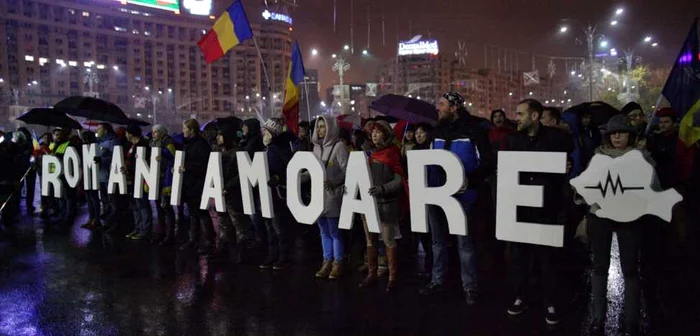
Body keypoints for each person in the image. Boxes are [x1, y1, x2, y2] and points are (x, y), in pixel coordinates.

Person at [503, 99, 574, 325]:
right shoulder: (512, 140)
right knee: (519, 257)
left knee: (547, 258)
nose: (516, 118)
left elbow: (567, 161)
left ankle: (550, 302)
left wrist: (566, 166)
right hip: (521, 207)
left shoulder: (557, 138)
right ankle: (520, 297)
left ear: (534, 116)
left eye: (520, 113)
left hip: (548, 206)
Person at [419, 92, 495, 306]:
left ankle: (469, 286)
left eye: (441, 104)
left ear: (454, 108)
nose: (438, 108)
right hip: (436, 194)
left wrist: (467, 180)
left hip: (464, 197)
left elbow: (487, 163)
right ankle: (437, 280)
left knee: (465, 244)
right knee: (438, 242)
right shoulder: (437, 131)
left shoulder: (474, 131)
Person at [586, 115, 653, 335]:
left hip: (631, 219)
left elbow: (654, 189)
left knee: (631, 270)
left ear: (631, 136)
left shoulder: (642, 158)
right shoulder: (598, 157)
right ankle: (597, 318)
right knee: (599, 268)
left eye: (621, 132)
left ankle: (632, 321)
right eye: (613, 133)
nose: (616, 137)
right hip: (600, 218)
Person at [359, 120, 406, 292]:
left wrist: (383, 189)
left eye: (378, 132)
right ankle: (372, 272)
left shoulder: (392, 153)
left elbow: (399, 180)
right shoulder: (368, 155)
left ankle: (392, 277)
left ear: (385, 135)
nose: (374, 134)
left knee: (388, 241)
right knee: (370, 240)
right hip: (369, 205)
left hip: (387, 205)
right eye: (373, 132)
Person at [310, 116, 350, 279]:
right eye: (318, 127)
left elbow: (348, 170)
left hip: (332, 196)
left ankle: (337, 263)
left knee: (334, 231)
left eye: (323, 126)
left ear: (331, 128)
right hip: (318, 197)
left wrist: (334, 182)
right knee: (323, 231)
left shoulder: (339, 146)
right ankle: (326, 261)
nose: (319, 130)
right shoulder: (315, 148)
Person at [260, 118, 294, 270]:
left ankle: (283, 256)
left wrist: (278, 177)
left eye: (266, 131)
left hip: (277, 194)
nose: (263, 133)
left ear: (273, 133)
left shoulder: (280, 149)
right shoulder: (266, 149)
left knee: (279, 227)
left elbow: (290, 169)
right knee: (269, 226)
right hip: (266, 193)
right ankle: (272, 254)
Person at [215, 123, 253, 261]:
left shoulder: (238, 153)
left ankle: (243, 253)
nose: (218, 137)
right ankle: (225, 250)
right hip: (222, 194)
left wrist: (228, 186)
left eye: (220, 135)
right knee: (223, 222)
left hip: (234, 194)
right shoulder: (219, 152)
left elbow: (242, 174)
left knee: (239, 224)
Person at [179, 119, 215, 255]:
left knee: (202, 213)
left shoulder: (201, 144)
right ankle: (193, 240)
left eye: (185, 128)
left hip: (198, 184)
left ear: (192, 129)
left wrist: (186, 168)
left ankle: (209, 241)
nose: (183, 130)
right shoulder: (188, 144)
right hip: (189, 184)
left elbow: (203, 164)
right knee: (193, 213)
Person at [122, 125, 152, 240]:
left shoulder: (144, 145)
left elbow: (145, 162)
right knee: (134, 205)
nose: (125, 135)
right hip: (130, 179)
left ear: (131, 133)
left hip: (140, 179)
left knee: (142, 205)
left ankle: (145, 229)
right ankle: (137, 228)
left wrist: (130, 168)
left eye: (126, 133)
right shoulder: (130, 145)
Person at [149, 124, 177, 245]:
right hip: (157, 178)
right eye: (153, 132)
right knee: (159, 208)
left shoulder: (169, 142)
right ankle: (161, 233)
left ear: (162, 133)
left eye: (155, 132)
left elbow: (174, 157)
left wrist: (164, 154)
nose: (153, 134)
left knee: (166, 207)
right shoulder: (153, 143)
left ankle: (169, 235)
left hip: (165, 179)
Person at [647, 108, 678, 189]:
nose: (663, 125)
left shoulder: (680, 139)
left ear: (674, 123)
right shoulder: (654, 139)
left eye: (666, 122)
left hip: (676, 181)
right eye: (661, 122)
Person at [95, 123, 118, 230]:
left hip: (109, 176)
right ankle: (106, 222)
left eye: (99, 129)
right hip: (101, 176)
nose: (97, 130)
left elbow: (115, 158)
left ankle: (114, 223)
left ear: (105, 131)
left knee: (112, 201)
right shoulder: (99, 142)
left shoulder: (112, 142)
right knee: (104, 201)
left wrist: (102, 160)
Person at [80, 131, 101, 230]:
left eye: (85, 138)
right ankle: (91, 218)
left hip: (93, 175)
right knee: (89, 198)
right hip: (86, 175)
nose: (84, 140)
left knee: (94, 198)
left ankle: (96, 219)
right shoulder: (83, 147)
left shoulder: (95, 147)